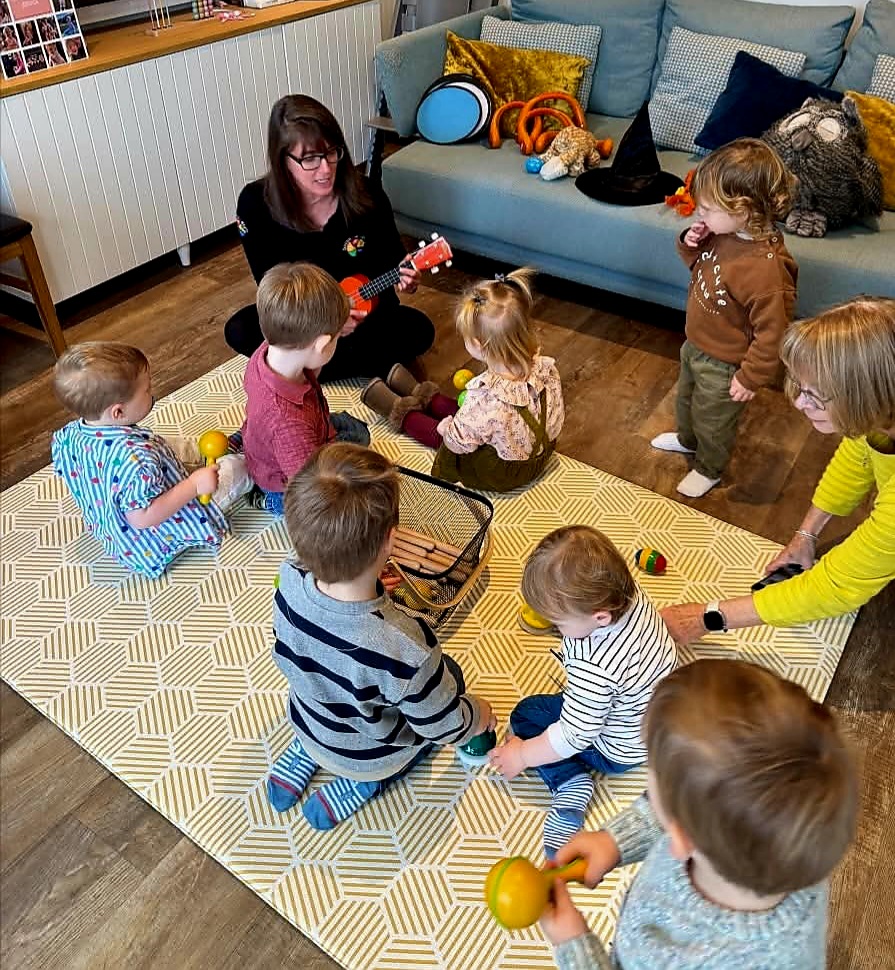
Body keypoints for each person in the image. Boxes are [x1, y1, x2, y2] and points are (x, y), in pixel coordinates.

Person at [541, 658, 858, 970]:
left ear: (680, 837)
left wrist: (576, 947)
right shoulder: (787, 843)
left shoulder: (743, 959)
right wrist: (614, 842)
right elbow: (690, 808)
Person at [266, 442, 495, 829]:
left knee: (333, 686)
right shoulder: (407, 646)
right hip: (370, 755)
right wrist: (476, 717)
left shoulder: (288, 581)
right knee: (450, 677)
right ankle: (363, 783)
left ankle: (309, 752)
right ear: (390, 540)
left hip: (309, 720)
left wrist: (369, 585)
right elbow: (439, 726)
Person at [661, 296, 895, 644]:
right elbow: (856, 460)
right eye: (801, 388)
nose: (800, 403)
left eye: (815, 395)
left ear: (866, 395)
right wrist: (806, 536)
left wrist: (706, 617)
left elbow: (837, 585)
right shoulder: (882, 411)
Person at [489, 526, 676, 858]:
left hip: (616, 751)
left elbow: (575, 735)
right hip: (658, 723)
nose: (557, 630)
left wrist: (522, 755)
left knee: (527, 715)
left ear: (600, 617)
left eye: (559, 624)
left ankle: (570, 783)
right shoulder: (630, 595)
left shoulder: (595, 665)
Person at [227, 94, 434, 381]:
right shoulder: (255, 204)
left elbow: (393, 262)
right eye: (310, 159)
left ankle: (309, 367)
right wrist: (324, 323)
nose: (326, 169)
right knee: (239, 328)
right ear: (283, 160)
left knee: (418, 330)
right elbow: (271, 288)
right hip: (304, 323)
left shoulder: (368, 195)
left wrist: (407, 279)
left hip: (366, 318)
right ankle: (348, 363)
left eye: (332, 152)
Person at [651, 138, 797, 498]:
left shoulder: (767, 272)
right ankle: (688, 440)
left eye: (707, 209)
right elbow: (701, 271)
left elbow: (773, 333)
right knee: (686, 401)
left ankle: (710, 467)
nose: (700, 214)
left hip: (727, 363)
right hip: (696, 342)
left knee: (713, 418)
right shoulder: (723, 234)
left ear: (743, 209)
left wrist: (750, 377)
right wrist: (692, 242)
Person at [51, 342, 252, 578]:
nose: (152, 391)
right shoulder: (135, 460)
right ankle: (253, 456)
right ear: (118, 412)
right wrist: (194, 485)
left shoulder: (68, 435)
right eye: (146, 389)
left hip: (119, 506)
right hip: (155, 533)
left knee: (169, 444)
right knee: (237, 468)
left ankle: (226, 447)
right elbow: (142, 517)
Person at [240, 261, 369, 515]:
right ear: (321, 345)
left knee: (355, 430)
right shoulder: (288, 424)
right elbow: (309, 487)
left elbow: (312, 363)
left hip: (286, 435)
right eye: (335, 339)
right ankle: (266, 498)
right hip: (284, 479)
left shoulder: (271, 349)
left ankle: (244, 446)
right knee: (355, 455)